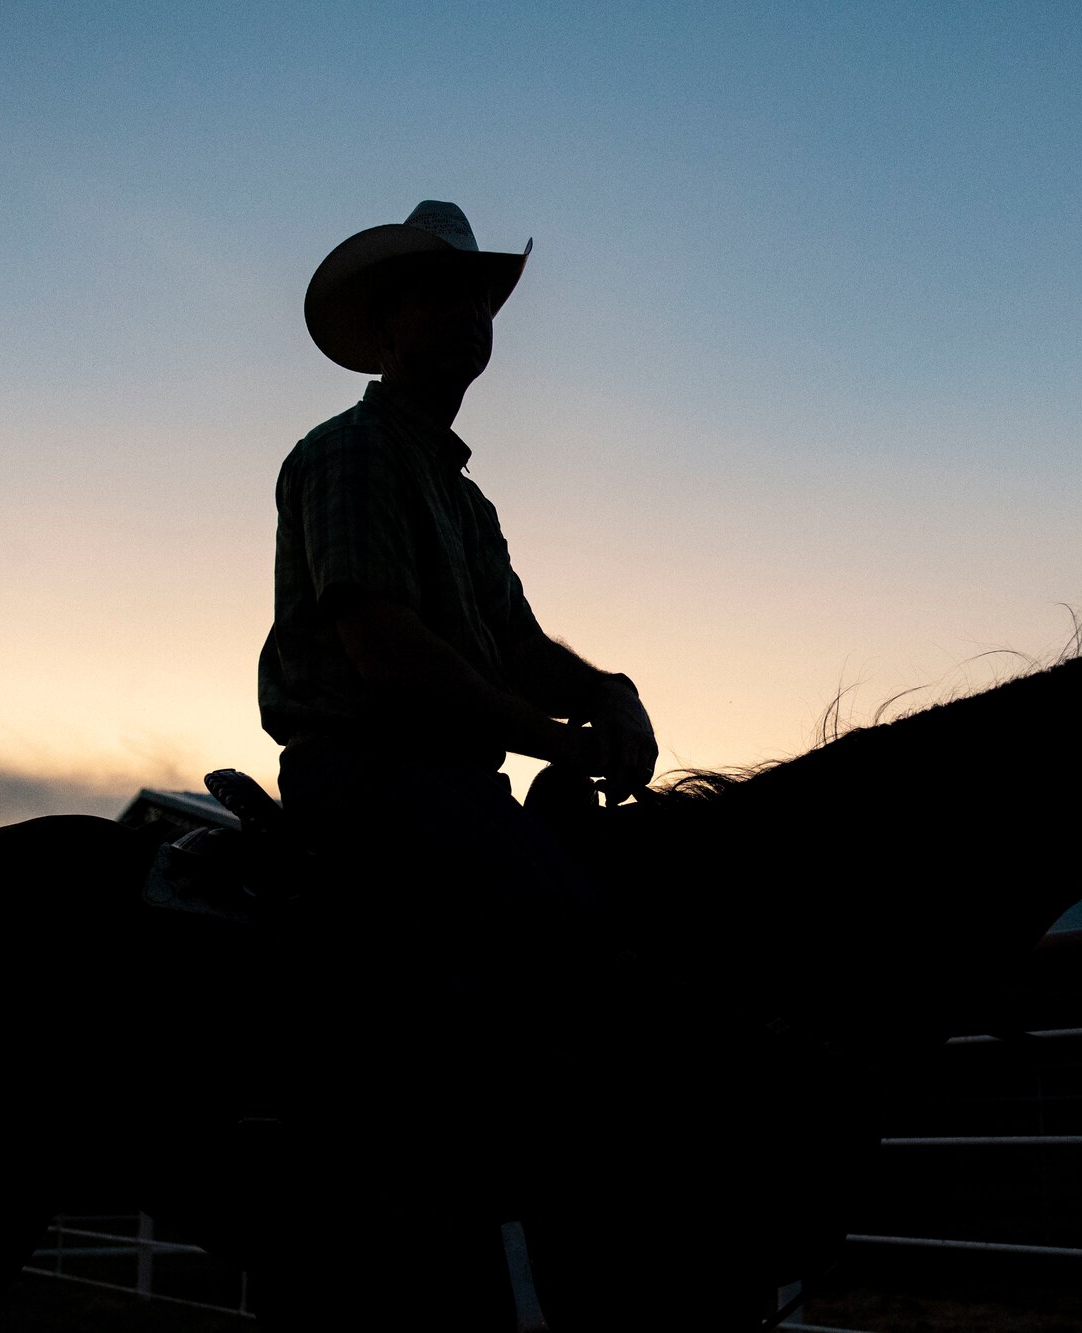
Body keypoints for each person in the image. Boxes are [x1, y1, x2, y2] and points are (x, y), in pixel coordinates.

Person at [252, 201, 657, 1322]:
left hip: (441, 775)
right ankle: (504, 1223)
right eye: (436, 293)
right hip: (371, 767)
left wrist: (602, 692)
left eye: (475, 297)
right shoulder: (344, 455)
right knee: (562, 917)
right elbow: (383, 648)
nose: (465, 314)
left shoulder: (464, 498)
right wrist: (556, 737)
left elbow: (516, 646)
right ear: (382, 330)